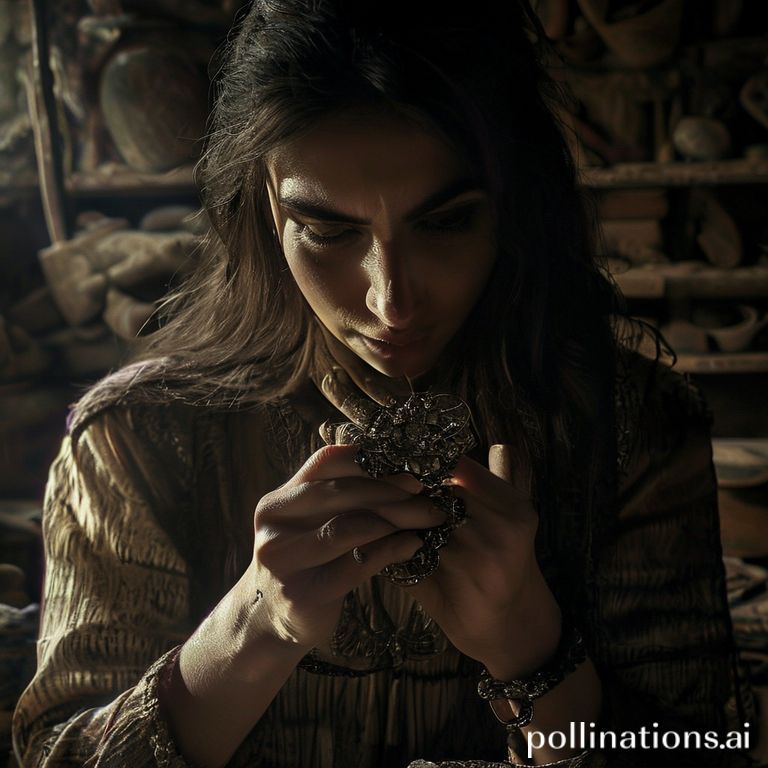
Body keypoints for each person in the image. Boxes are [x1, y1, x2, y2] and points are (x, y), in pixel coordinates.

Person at [11, 1, 759, 766]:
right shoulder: (136, 439)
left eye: (445, 222)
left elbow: (699, 746)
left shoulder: (633, 432)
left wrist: (535, 652)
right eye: (329, 231)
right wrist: (254, 625)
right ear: (265, 211)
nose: (389, 300)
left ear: (515, 204)